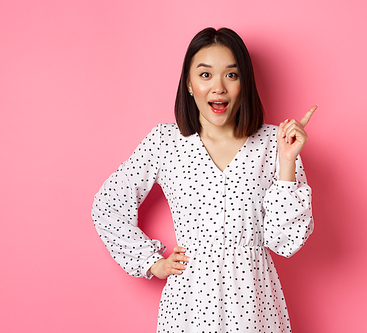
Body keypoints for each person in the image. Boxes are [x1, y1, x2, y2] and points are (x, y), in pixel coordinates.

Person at [92, 27, 316, 332]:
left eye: (231, 75)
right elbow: (108, 206)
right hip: (189, 304)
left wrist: (287, 162)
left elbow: (285, 243)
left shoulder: (273, 143)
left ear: (244, 83)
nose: (218, 88)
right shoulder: (165, 142)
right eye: (205, 75)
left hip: (254, 302)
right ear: (188, 82)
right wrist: (150, 261)